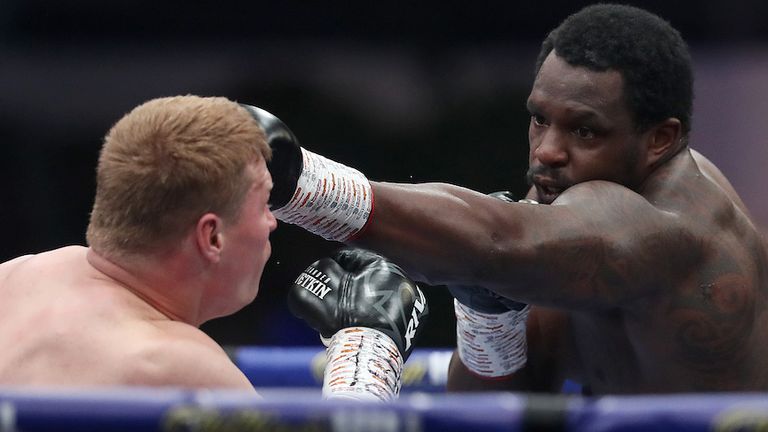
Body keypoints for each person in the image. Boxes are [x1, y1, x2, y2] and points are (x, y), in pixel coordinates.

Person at [249, 3, 768, 394]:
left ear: (661, 139)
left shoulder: (670, 228)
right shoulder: (565, 202)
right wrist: (487, 314)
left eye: (586, 132)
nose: (547, 152)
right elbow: (502, 414)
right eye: (540, 118)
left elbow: (498, 240)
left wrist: (299, 183)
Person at [0, 95, 428, 399]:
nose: (273, 222)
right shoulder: (176, 366)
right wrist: (365, 360)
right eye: (263, 203)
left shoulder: (18, 276)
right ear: (212, 237)